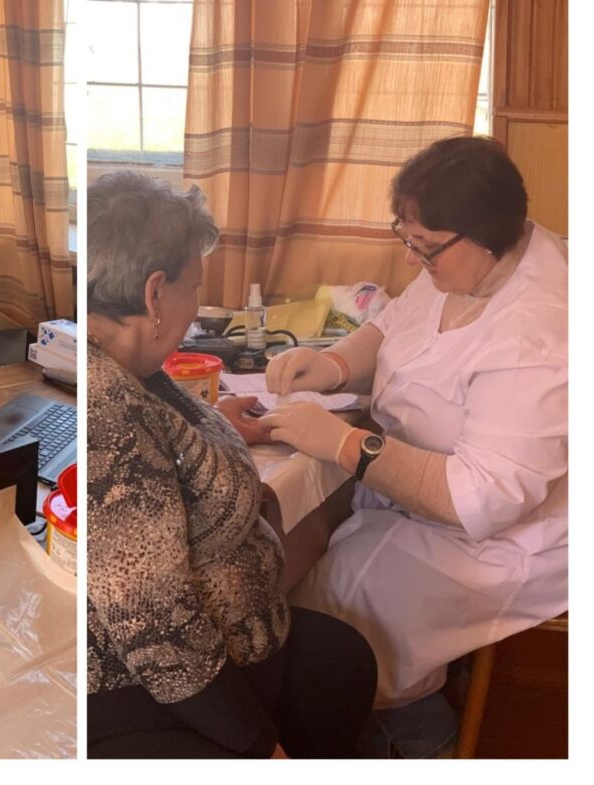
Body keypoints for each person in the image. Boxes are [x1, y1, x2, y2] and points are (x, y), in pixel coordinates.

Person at [239, 136, 567, 757]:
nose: (413, 261)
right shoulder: (466, 259)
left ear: (485, 236)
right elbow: (393, 326)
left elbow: (480, 498)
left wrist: (348, 445)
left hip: (501, 537)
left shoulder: (540, 331)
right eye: (406, 239)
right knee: (321, 573)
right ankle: (384, 710)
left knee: (338, 613)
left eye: (425, 247)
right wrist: (333, 365)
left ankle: (410, 733)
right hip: (418, 500)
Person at [86, 171, 377, 759]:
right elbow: (156, 629)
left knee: (342, 661)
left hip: (235, 639)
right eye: (195, 285)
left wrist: (212, 424)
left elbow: (159, 436)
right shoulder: (108, 413)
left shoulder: (133, 366)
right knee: (333, 672)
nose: (197, 304)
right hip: (152, 684)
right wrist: (262, 748)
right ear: (155, 294)